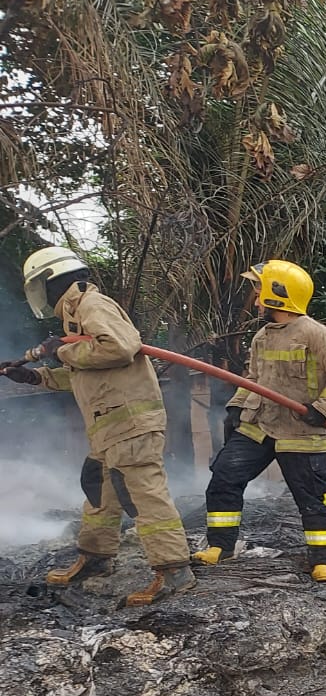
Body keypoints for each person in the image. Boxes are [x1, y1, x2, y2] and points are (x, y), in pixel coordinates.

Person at [5, 246, 194, 606]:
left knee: (143, 494)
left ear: (50, 281)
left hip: (131, 423)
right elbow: (85, 371)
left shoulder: (93, 306)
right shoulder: (75, 316)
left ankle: (174, 572)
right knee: (99, 491)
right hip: (109, 427)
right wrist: (33, 376)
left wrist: (60, 350)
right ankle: (95, 559)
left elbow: (120, 348)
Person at [194, 259, 326, 583]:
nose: (255, 299)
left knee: (312, 498)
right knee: (224, 478)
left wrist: (323, 408)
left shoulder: (317, 335)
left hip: (301, 430)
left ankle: (322, 561)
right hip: (260, 425)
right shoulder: (262, 336)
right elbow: (255, 378)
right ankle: (220, 547)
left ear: (278, 295)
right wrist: (237, 407)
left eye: (259, 290)